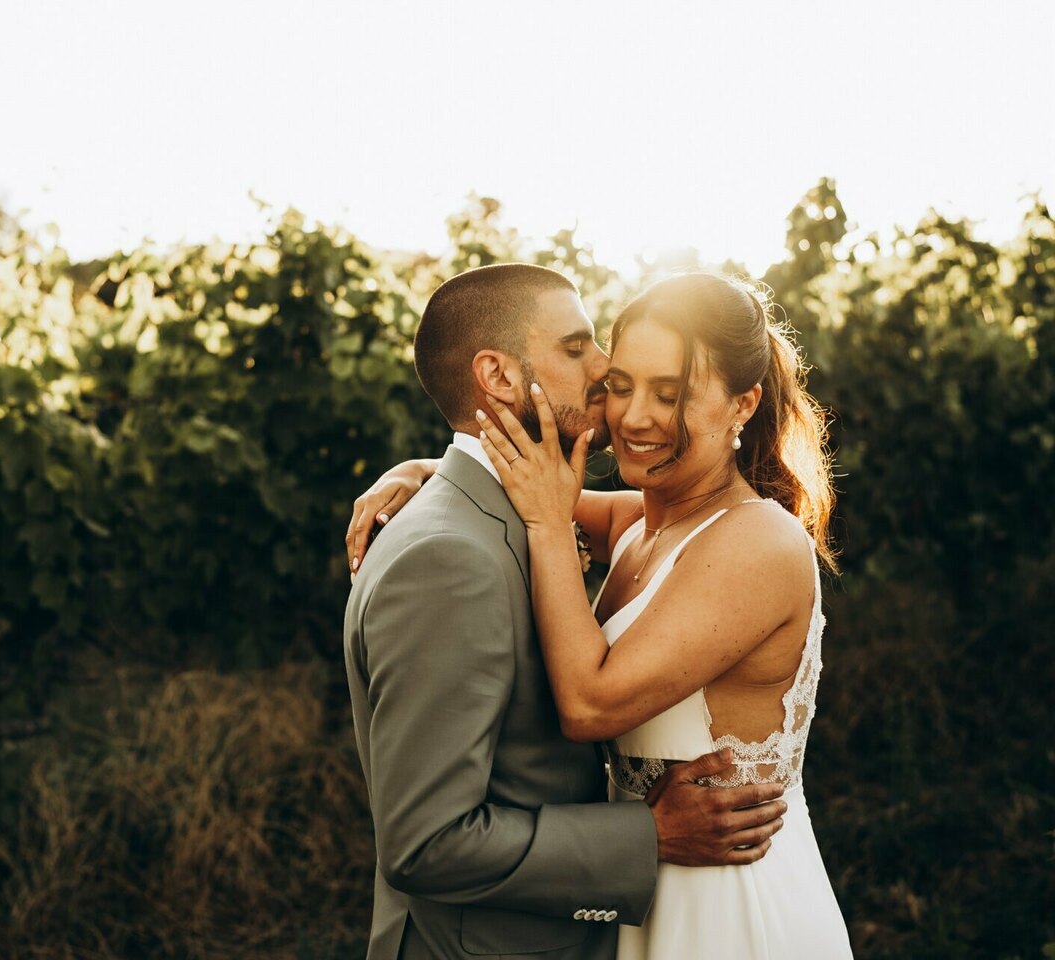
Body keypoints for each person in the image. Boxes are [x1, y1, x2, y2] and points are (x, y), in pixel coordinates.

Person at [348, 270, 852, 959]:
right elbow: (493, 490)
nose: (634, 416)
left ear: (743, 404)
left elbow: (588, 705)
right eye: (622, 385)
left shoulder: (759, 541)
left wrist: (552, 526)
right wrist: (423, 470)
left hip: (729, 903)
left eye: (670, 394)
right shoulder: (642, 526)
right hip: (636, 895)